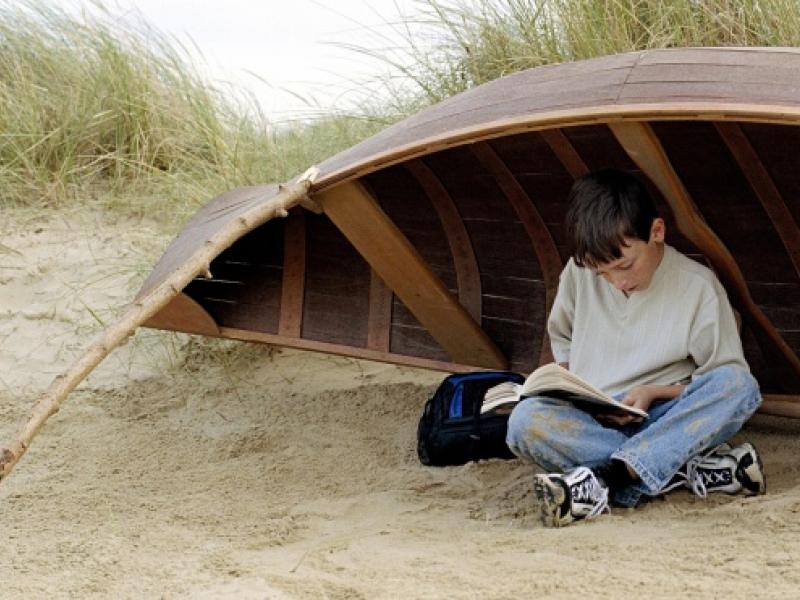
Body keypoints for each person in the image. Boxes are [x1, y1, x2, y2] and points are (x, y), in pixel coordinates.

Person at [505, 169, 765, 527]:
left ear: (656, 232)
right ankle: (679, 473)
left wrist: (652, 393)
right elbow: (562, 345)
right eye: (603, 274)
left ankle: (608, 480)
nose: (618, 281)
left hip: (665, 419)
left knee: (739, 385)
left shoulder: (697, 285)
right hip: (595, 424)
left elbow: (719, 377)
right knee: (524, 423)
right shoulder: (579, 272)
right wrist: (575, 393)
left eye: (625, 265)